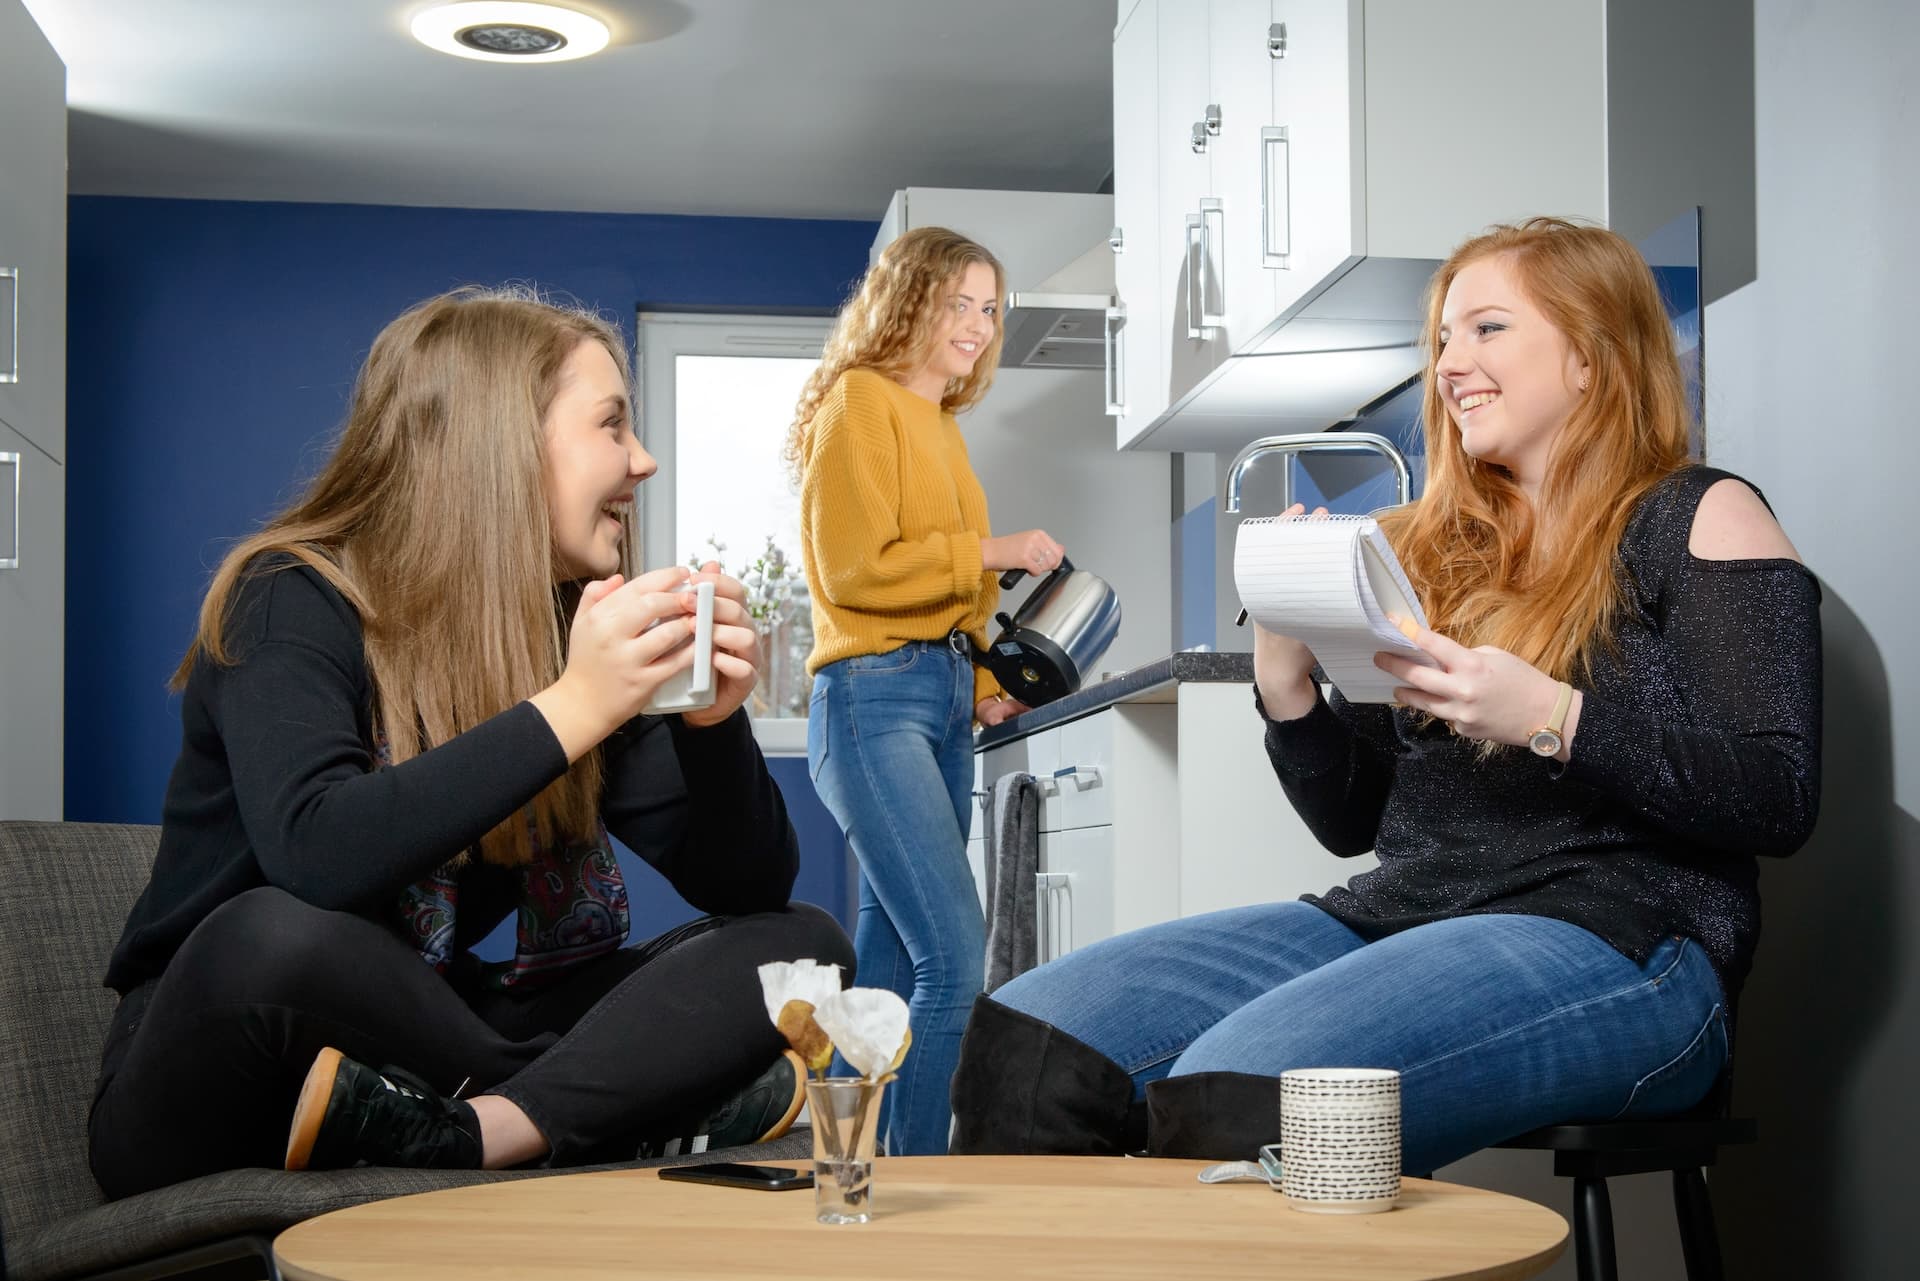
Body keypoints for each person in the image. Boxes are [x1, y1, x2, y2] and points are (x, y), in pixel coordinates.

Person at [948, 217, 1823, 1174]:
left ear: (1590, 354)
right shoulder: (1426, 551)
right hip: (1401, 915)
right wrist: (1285, 678)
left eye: (1488, 329)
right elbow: (1353, 819)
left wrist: (1553, 718)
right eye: (1442, 338)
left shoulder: (1699, 515)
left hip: (1633, 942)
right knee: (1026, 1049)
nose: (1450, 364)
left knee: (1241, 1092)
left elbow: (1777, 796)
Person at [88, 287, 854, 1199]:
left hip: (434, 1053)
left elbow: (748, 888)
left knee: (805, 948)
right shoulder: (288, 593)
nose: (643, 460)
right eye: (612, 424)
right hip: (225, 1058)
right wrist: (576, 704)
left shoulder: (559, 635)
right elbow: (318, 853)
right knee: (268, 935)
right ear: (503, 448)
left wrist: (714, 725)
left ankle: (495, 1129)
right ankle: (614, 1101)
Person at [786, 226, 1065, 1155]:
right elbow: (855, 568)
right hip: (871, 698)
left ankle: (846, 1162)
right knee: (953, 953)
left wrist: (981, 681)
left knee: (895, 964)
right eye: (959, 304)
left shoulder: (941, 424)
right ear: (908, 303)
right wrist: (991, 549)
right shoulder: (859, 403)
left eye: (990, 309)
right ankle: (912, 1177)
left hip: (938, 697)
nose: (978, 326)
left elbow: (955, 602)